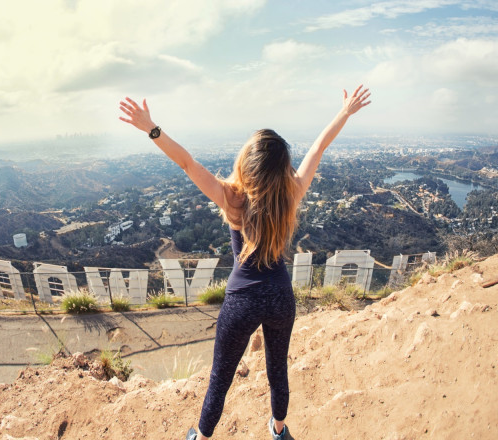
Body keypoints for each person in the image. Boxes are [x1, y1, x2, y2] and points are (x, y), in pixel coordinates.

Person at [118, 86, 371, 440]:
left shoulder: (231, 199)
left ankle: (203, 437)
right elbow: (319, 147)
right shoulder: (292, 193)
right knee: (277, 370)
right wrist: (345, 112)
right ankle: (279, 430)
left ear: (245, 164)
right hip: (281, 298)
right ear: (281, 169)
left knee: (220, 379)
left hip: (242, 301)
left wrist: (151, 128)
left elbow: (186, 162)